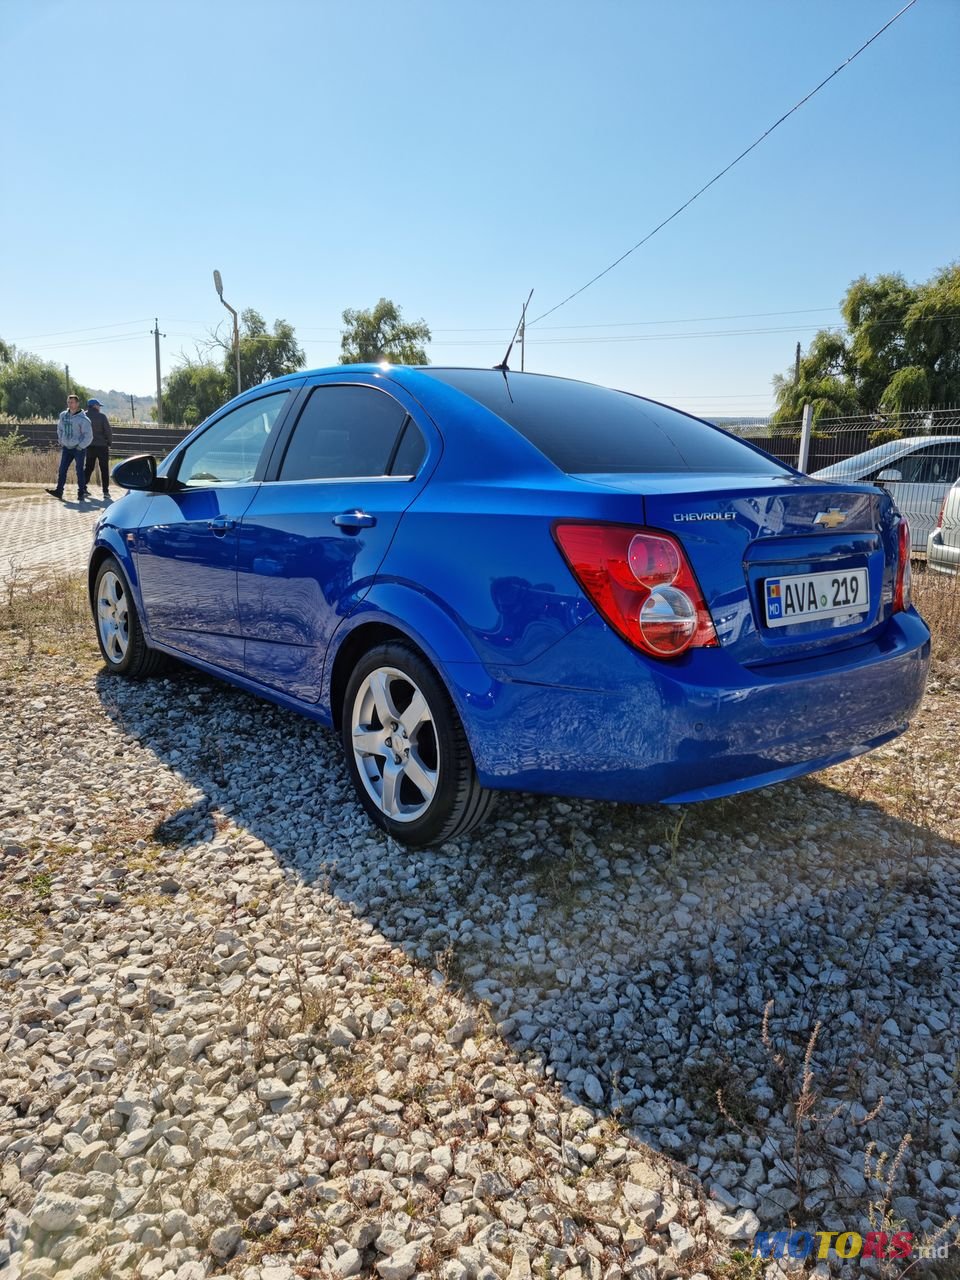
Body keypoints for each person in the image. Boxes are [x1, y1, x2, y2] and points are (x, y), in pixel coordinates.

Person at [46, 394, 94, 501]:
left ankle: (81, 492)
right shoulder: (63, 415)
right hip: (66, 448)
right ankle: (59, 491)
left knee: (79, 471)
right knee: (62, 470)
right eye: (68, 402)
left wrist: (80, 446)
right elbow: (60, 429)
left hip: (78, 449)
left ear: (77, 404)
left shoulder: (84, 419)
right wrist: (61, 440)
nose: (70, 404)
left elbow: (89, 436)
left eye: (72, 402)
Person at [83, 397, 113, 501]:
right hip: (102, 446)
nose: (99, 407)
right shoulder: (102, 417)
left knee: (88, 467)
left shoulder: (83, 416)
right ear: (94, 406)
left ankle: (82, 487)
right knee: (104, 468)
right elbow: (108, 431)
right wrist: (109, 442)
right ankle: (105, 491)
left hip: (89, 446)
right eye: (98, 406)